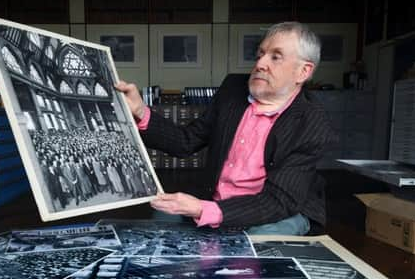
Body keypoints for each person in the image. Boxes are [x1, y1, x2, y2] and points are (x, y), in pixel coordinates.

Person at [115, 22, 337, 235]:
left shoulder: (312, 121)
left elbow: (278, 201)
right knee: (162, 221)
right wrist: (141, 112)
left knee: (258, 239)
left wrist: (203, 210)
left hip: (280, 208)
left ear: (303, 72)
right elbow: (186, 141)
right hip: (219, 199)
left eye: (276, 57)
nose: (260, 64)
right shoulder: (233, 88)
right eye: (260, 54)